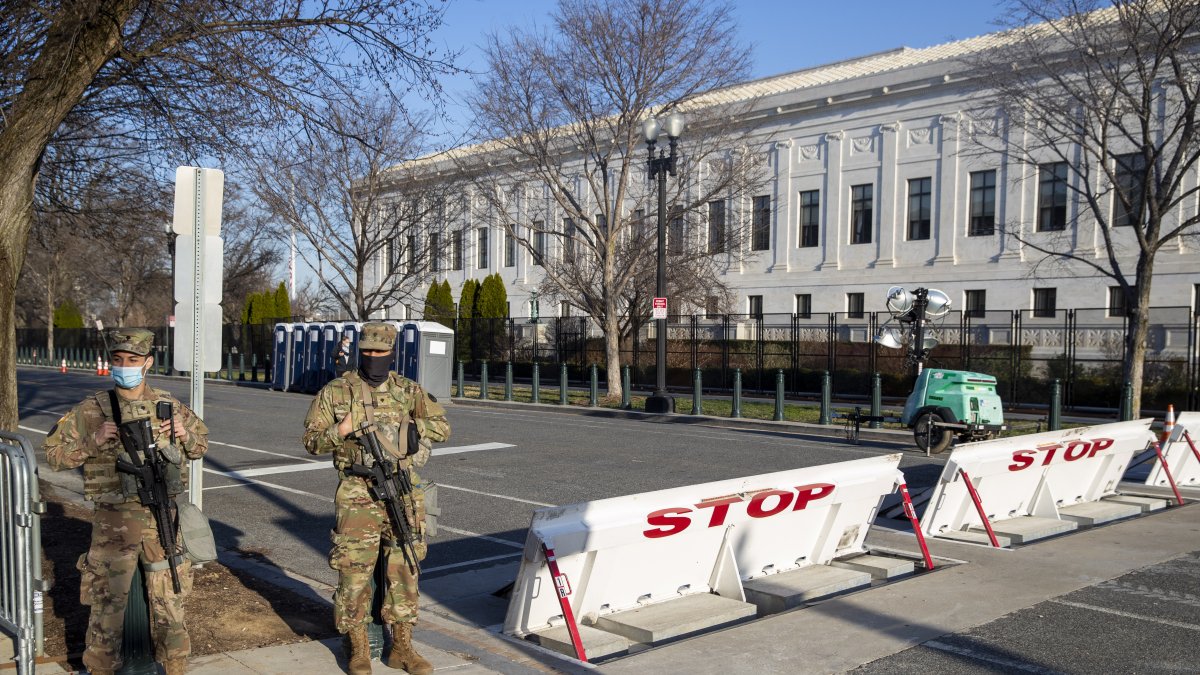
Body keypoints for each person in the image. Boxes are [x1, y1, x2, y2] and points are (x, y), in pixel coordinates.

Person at [44, 329, 208, 675]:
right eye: (118, 360)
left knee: (170, 601)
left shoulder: (168, 405)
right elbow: (54, 455)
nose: (124, 367)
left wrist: (183, 433)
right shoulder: (93, 409)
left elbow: (199, 447)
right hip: (114, 522)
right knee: (107, 604)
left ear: (147, 363)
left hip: (161, 516)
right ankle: (100, 670)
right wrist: (93, 440)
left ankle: (175, 667)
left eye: (132, 361)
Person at [303, 322, 450, 675]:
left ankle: (402, 647)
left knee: (405, 570)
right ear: (360, 352)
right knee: (353, 573)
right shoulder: (337, 391)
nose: (373, 358)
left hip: (401, 490)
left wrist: (414, 430)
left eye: (380, 353)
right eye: (367, 352)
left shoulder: (407, 390)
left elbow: (443, 428)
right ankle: (358, 650)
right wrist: (341, 430)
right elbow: (310, 440)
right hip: (357, 494)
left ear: (392, 353)